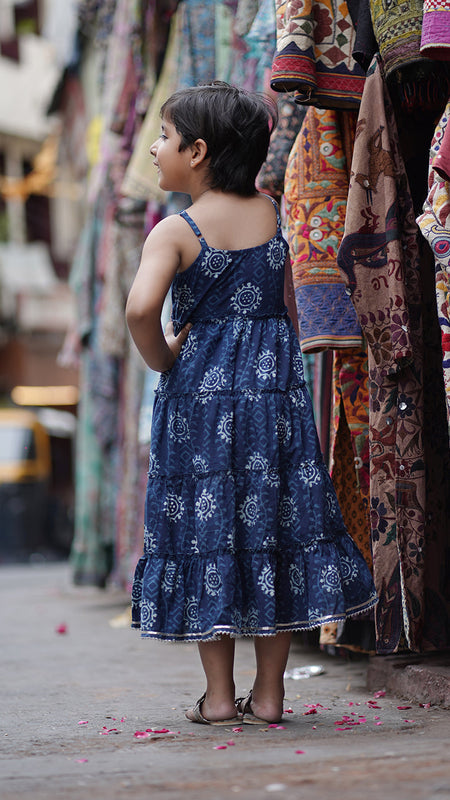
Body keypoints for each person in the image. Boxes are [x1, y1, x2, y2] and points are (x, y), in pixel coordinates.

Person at [126, 81, 377, 727]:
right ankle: (269, 696)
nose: (154, 150)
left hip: (200, 410)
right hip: (274, 400)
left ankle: (217, 699)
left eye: (163, 136)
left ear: (199, 151)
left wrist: (161, 358)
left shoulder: (176, 230)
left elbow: (138, 308)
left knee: (208, 537)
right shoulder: (274, 215)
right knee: (274, 534)